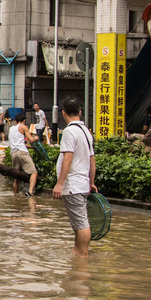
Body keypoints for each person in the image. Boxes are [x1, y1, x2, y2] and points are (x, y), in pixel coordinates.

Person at [52, 98, 97, 258]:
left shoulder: (70, 132)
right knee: (78, 223)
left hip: (73, 185)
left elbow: (68, 158)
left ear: (63, 113)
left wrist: (60, 183)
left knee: (81, 223)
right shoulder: (86, 131)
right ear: (79, 112)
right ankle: (77, 253)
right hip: (82, 183)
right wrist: (91, 182)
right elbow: (92, 159)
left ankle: (82, 256)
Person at [9, 112, 39, 196]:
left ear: (15, 121)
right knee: (34, 173)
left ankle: (15, 195)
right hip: (22, 153)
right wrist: (36, 138)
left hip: (14, 154)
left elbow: (19, 143)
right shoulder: (24, 127)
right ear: (24, 121)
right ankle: (30, 192)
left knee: (16, 177)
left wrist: (30, 147)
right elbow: (31, 140)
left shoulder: (11, 129)